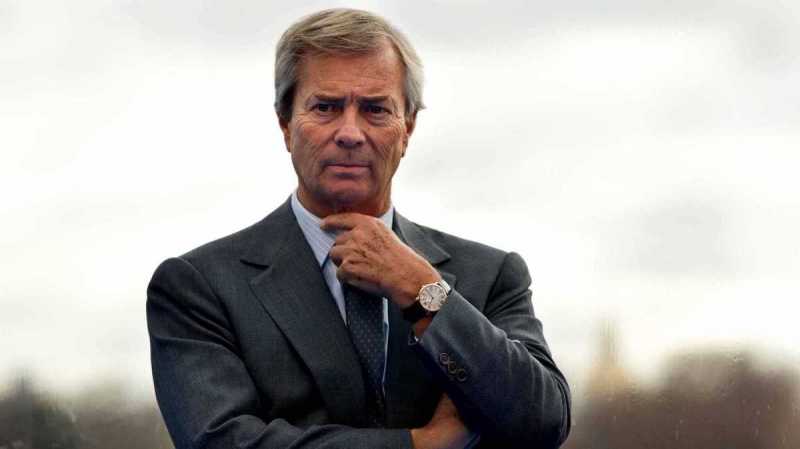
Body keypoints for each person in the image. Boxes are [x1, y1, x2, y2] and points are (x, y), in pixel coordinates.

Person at [147, 8, 571, 449]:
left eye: (375, 109)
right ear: (285, 124)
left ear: (407, 129)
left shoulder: (489, 276)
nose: (350, 132)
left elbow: (543, 422)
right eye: (326, 107)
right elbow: (221, 442)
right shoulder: (201, 287)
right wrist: (420, 445)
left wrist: (425, 293)